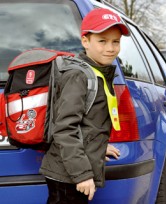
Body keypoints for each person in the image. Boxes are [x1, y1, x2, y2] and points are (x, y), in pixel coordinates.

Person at [40, 8, 130, 203]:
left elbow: (87, 122)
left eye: (116, 41)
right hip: (67, 175)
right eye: (102, 41)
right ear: (85, 41)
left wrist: (97, 146)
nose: (110, 48)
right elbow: (64, 129)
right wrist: (81, 174)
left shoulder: (98, 73)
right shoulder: (78, 76)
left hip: (72, 169)